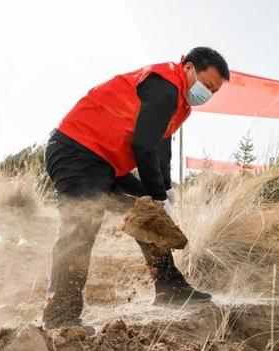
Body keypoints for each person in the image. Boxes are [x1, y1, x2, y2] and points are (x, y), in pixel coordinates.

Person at [42, 47, 230, 333]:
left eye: (214, 91)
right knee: (81, 226)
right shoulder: (165, 86)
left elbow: (161, 146)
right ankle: (61, 316)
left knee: (149, 216)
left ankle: (169, 289)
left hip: (107, 163)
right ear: (189, 67)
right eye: (207, 85)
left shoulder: (181, 103)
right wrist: (156, 195)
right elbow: (143, 145)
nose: (209, 93)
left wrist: (164, 191)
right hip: (76, 150)